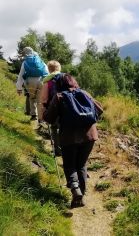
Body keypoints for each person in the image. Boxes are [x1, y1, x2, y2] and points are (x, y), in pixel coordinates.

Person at [43, 74, 103, 208]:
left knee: (70, 165)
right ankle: (81, 195)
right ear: (74, 82)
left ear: (59, 85)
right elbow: (100, 110)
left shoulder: (59, 96)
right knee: (81, 165)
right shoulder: (84, 93)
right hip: (90, 135)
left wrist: (45, 111)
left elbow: (49, 119)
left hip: (68, 137)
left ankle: (75, 189)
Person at [16, 47, 48, 121]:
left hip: (29, 81)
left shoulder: (25, 62)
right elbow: (46, 71)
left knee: (32, 98)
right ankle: (41, 119)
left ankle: (34, 115)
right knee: (39, 100)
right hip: (41, 80)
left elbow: (21, 75)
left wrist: (19, 88)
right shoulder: (40, 60)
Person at [40, 60, 63, 155]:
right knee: (64, 128)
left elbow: (44, 99)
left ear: (49, 70)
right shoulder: (66, 78)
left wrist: (43, 112)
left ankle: (58, 151)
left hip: (54, 108)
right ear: (59, 68)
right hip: (67, 107)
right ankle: (67, 149)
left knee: (54, 128)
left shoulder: (47, 81)